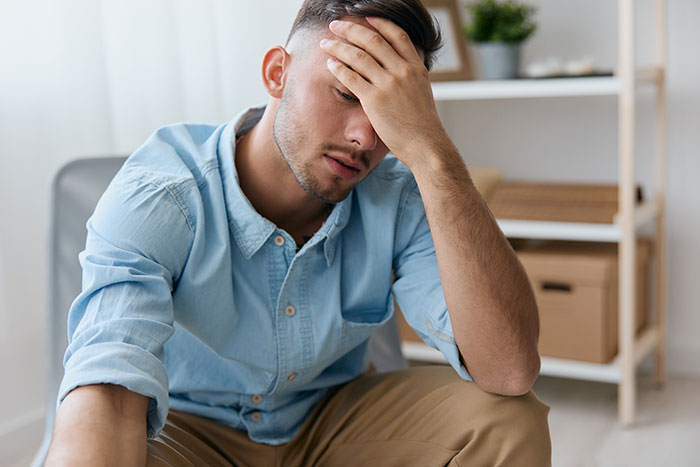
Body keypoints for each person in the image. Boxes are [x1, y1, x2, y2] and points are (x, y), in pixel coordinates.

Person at [46, 0, 551, 465]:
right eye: (346, 94)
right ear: (277, 74)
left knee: (508, 419)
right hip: (188, 429)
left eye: (390, 113)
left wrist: (433, 154)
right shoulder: (162, 193)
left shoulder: (399, 196)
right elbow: (107, 381)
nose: (365, 138)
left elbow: (508, 370)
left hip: (331, 422)